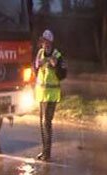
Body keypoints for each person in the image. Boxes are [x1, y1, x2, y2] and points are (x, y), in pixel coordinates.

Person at [34, 29, 67, 161]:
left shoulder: (57, 55)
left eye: (46, 41)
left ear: (51, 42)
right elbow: (35, 69)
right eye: (43, 41)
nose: (44, 44)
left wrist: (55, 66)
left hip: (52, 95)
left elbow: (63, 74)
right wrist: (37, 66)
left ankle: (47, 153)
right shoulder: (40, 53)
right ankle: (44, 151)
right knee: (42, 123)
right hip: (41, 95)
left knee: (47, 122)